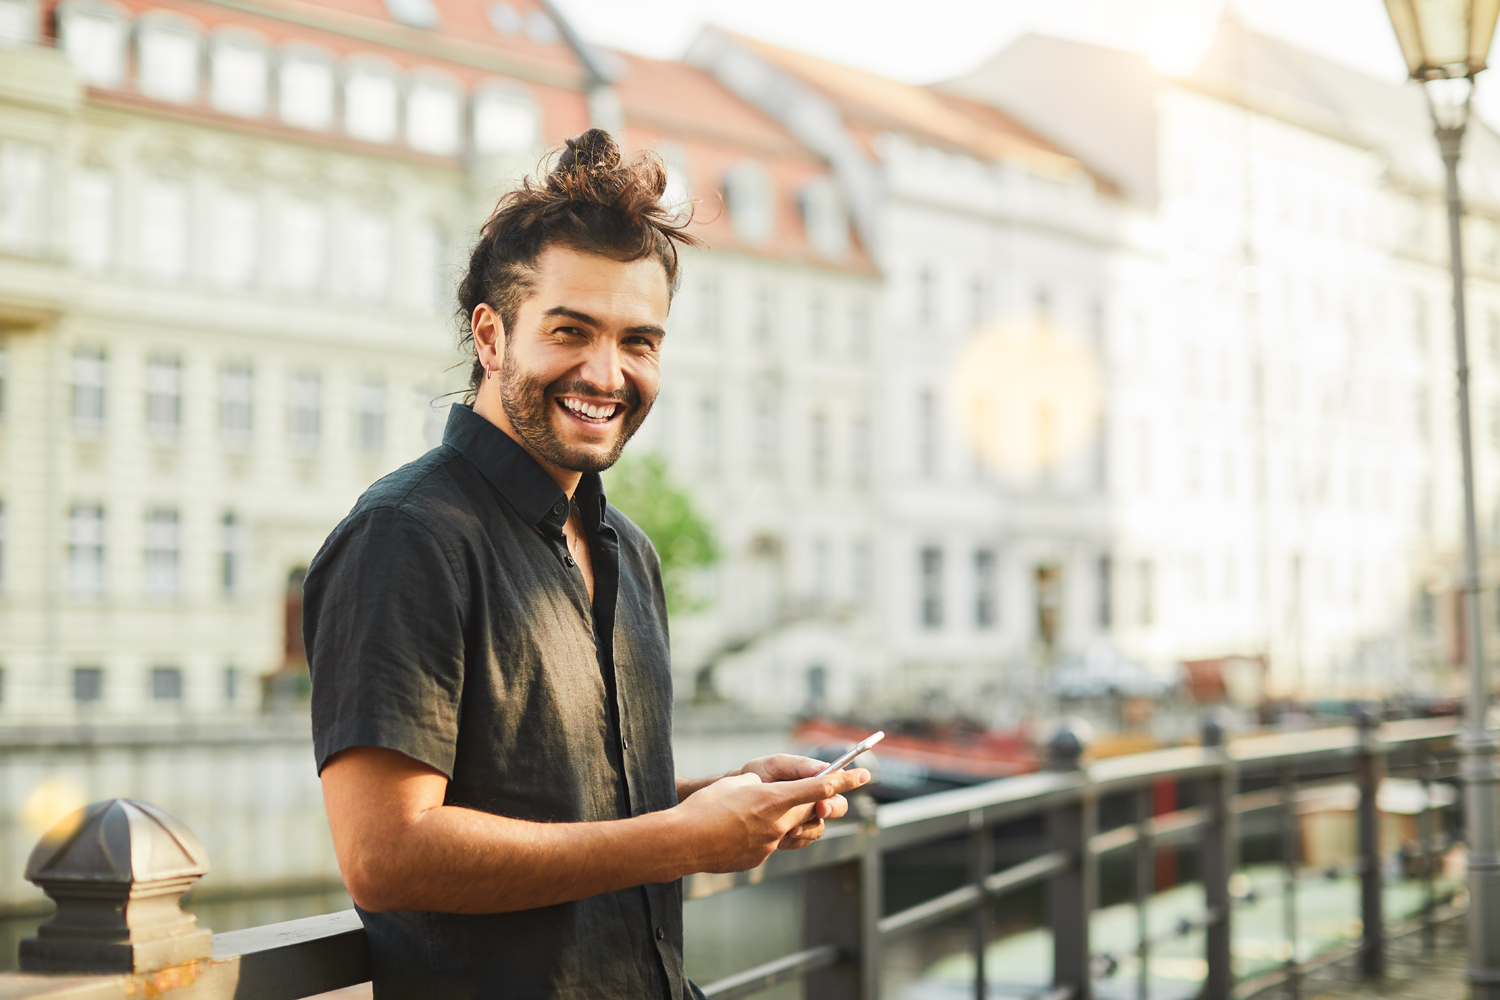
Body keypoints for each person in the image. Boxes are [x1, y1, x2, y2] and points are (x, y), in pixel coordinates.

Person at [303, 129, 870, 1000]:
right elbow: (388, 856)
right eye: (571, 331)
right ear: (490, 337)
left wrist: (724, 798)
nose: (608, 374)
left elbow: (566, 797)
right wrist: (683, 839)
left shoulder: (629, 552)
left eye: (640, 342)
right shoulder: (405, 535)